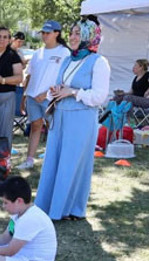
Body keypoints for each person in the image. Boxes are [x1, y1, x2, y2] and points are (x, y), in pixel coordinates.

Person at [35, 17, 111, 221]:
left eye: (78, 33)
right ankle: (47, 205)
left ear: (88, 35)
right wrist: (55, 91)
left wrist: (74, 92)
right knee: (53, 161)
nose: (73, 37)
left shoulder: (99, 62)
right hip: (60, 117)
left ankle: (68, 209)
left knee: (71, 163)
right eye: (72, 32)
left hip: (81, 119)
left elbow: (99, 96)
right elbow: (61, 87)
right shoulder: (68, 59)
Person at [0, 176, 57, 261]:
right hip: (22, 257)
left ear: (19, 201)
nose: (3, 206)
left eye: (6, 202)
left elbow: (10, 250)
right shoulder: (19, 213)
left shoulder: (30, 219)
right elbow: (5, 237)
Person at [18, 20, 70, 171]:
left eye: (48, 33)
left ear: (57, 33)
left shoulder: (64, 52)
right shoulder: (37, 53)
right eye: (43, 33)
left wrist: (47, 93)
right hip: (33, 97)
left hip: (51, 98)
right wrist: (24, 96)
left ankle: (56, 161)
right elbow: (29, 76)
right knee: (35, 126)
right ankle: (29, 160)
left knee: (54, 128)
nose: (44, 36)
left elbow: (64, 79)